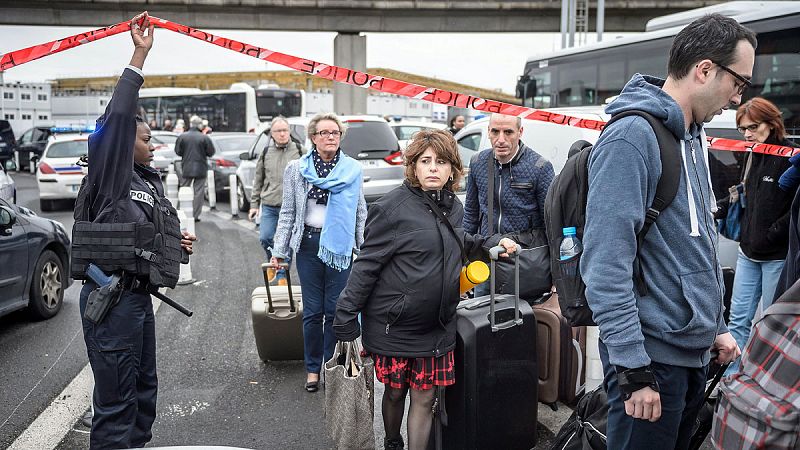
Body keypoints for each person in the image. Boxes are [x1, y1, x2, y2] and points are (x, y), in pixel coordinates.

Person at [580, 14, 754, 450]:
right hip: (651, 364)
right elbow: (604, 266)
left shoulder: (692, 135)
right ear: (705, 69)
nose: (738, 99)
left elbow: (696, 245)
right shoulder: (631, 139)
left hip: (690, 356)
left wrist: (715, 327)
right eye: (739, 83)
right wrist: (634, 370)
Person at [333, 129, 517, 450]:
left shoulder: (453, 209)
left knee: (425, 397)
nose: (433, 168)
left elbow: (456, 242)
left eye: (441, 162)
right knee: (394, 393)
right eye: (425, 161)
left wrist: (490, 243)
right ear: (413, 167)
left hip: (438, 326)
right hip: (395, 328)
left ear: (452, 170)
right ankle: (393, 442)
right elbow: (366, 266)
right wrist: (345, 318)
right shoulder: (391, 209)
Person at [75, 13, 196, 448]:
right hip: (112, 300)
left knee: (144, 396)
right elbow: (120, 114)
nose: (154, 144)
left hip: (137, 299)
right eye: (147, 138)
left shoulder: (144, 181)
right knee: (118, 404)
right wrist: (139, 54)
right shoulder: (111, 171)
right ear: (126, 141)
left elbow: (138, 233)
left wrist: (172, 243)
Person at [271, 112, 367, 393]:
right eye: (324, 133)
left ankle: (330, 366)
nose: (330, 137)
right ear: (313, 138)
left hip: (340, 247)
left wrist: (364, 249)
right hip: (309, 246)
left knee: (335, 310)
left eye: (335, 133)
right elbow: (288, 213)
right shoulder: (296, 169)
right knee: (312, 312)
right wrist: (280, 250)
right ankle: (312, 369)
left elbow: (360, 212)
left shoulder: (351, 169)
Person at [714, 97, 798, 375]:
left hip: (776, 256)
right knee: (737, 319)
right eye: (742, 129)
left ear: (772, 123)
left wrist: (772, 234)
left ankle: (763, 379)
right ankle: (730, 379)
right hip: (748, 253)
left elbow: (795, 209)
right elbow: (743, 193)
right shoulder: (752, 153)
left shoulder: (790, 156)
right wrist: (717, 209)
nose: (747, 134)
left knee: (771, 323)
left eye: (752, 127)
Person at [463, 113, 554, 296]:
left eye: (508, 132)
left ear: (520, 132)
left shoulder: (540, 167)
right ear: (488, 132)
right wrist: (463, 261)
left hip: (525, 263)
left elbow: (552, 226)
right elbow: (471, 215)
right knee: (481, 320)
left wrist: (558, 275)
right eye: (495, 132)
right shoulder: (478, 162)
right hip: (485, 259)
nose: (501, 139)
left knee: (522, 321)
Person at [248, 116, 305, 285]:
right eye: (278, 131)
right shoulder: (266, 153)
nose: (282, 134)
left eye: (285, 130)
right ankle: (273, 260)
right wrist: (253, 205)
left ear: (289, 132)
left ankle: (282, 276)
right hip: (270, 205)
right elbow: (258, 180)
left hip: (292, 207)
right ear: (271, 134)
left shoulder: (300, 151)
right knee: (265, 238)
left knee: (287, 243)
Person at [175, 114, 214, 222]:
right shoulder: (204, 137)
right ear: (199, 126)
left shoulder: (183, 136)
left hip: (186, 167)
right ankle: (195, 215)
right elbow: (211, 152)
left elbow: (178, 151)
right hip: (201, 167)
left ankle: (179, 212)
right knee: (199, 192)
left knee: (183, 188)